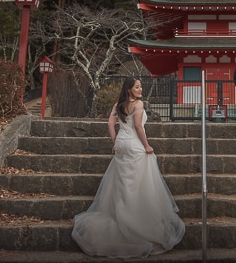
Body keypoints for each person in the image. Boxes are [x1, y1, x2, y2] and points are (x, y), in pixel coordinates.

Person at [71, 77, 185, 258]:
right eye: (137, 87)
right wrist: (147, 146)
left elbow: (110, 124)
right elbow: (139, 127)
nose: (141, 89)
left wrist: (114, 141)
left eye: (141, 87)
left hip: (121, 144)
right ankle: (134, 218)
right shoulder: (138, 105)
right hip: (134, 144)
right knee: (138, 182)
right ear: (129, 89)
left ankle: (121, 212)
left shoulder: (118, 104)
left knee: (123, 182)